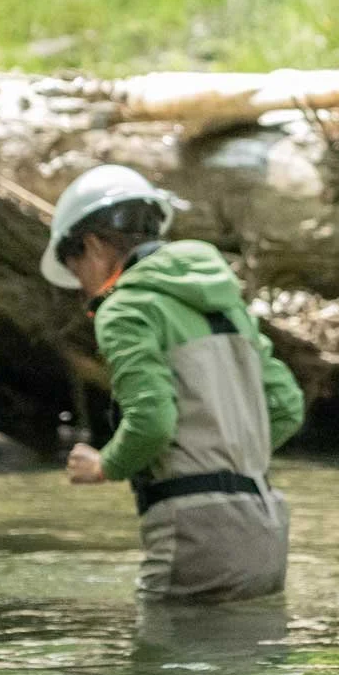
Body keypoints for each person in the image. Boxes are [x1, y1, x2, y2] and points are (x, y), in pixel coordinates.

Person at [43, 164, 305, 602]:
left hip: (195, 533)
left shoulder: (125, 308)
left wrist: (104, 465)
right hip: (266, 525)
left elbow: (152, 420)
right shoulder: (225, 303)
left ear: (92, 246)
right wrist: (224, 459)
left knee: (162, 645)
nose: (81, 289)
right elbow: (286, 405)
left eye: (76, 271)